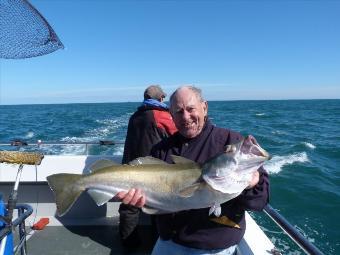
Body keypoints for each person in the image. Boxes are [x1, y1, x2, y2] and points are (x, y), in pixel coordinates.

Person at [116, 85, 269, 255]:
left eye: (190, 109)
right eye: (179, 112)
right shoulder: (161, 149)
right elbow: (157, 203)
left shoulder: (230, 142)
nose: (186, 117)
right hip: (167, 241)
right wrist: (140, 199)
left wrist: (251, 185)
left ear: (205, 107)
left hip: (213, 248)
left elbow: (259, 202)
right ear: (171, 115)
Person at [119, 85, 177, 248]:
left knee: (129, 206)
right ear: (160, 99)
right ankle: (156, 244)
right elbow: (177, 134)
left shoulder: (135, 116)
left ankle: (128, 243)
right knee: (155, 205)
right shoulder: (160, 115)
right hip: (150, 171)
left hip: (129, 167)